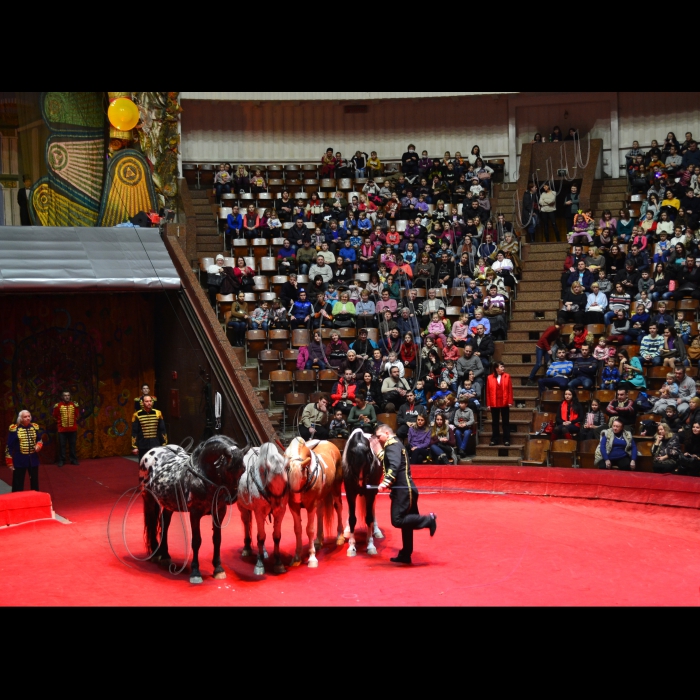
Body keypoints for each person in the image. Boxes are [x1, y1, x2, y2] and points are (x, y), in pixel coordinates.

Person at [374, 424, 437, 565]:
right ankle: (406, 554)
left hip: (403, 490)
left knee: (398, 520)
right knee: (406, 522)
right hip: (407, 489)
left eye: (379, 437)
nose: (378, 440)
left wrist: (385, 483)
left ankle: (429, 521)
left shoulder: (392, 446)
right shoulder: (395, 445)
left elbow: (394, 466)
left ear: (386, 433)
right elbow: (391, 460)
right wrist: (378, 452)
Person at [5, 409, 44, 492]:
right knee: (18, 482)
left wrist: (38, 446)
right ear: (20, 418)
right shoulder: (14, 429)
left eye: (29, 416)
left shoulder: (34, 427)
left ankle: (35, 497)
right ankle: (16, 498)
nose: (28, 418)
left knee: (34, 482)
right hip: (19, 459)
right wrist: (9, 463)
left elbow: (39, 440)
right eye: (25, 417)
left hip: (33, 458)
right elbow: (9, 447)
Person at [131, 396, 167, 463]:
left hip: (155, 444)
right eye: (147, 401)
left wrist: (164, 444)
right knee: (143, 465)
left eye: (150, 401)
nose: (149, 403)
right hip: (143, 444)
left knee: (155, 464)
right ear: (142, 402)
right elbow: (134, 432)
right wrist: (134, 446)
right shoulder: (137, 415)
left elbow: (162, 430)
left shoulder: (158, 413)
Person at [527, 319, 563, 385]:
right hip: (540, 347)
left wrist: (563, 347)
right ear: (561, 325)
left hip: (546, 348)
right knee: (539, 364)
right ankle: (530, 379)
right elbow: (543, 338)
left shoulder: (557, 331)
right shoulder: (552, 329)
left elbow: (557, 340)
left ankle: (548, 378)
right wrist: (548, 349)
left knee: (549, 363)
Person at [486, 362, 513, 446]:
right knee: (495, 422)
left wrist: (510, 401)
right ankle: (495, 439)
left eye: (503, 367)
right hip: (494, 402)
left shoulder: (507, 376)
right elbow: (488, 392)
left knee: (505, 422)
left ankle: (506, 439)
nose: (503, 368)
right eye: (501, 367)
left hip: (504, 402)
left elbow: (510, 390)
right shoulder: (489, 377)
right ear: (496, 368)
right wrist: (488, 404)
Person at [53, 390, 80, 467]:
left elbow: (77, 415)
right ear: (62, 397)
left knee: (72, 445)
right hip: (62, 430)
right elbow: (55, 416)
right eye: (65, 395)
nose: (67, 397)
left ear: (70, 396)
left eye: (68, 395)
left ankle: (73, 460)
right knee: (62, 445)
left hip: (73, 429)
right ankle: (62, 460)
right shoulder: (58, 406)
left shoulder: (74, 405)